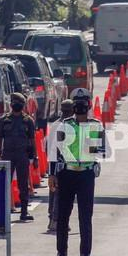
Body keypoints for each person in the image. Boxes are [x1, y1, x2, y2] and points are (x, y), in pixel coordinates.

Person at [50, 88, 105, 256]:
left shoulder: (96, 125)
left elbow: (103, 151)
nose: (81, 107)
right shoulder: (65, 125)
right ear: (73, 106)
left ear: (88, 105)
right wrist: (52, 174)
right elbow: (55, 151)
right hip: (66, 174)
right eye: (77, 104)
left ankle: (85, 254)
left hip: (86, 175)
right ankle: (61, 253)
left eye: (84, 104)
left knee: (85, 216)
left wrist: (93, 146)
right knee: (63, 215)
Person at [0, 92, 37, 221]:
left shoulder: (28, 120)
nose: (16, 105)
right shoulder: (4, 120)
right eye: (14, 102)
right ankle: (1, 212)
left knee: (23, 183)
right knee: (4, 183)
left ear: (23, 105)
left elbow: (32, 140)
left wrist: (35, 157)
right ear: (12, 104)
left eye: (19, 103)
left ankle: (24, 211)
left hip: (22, 155)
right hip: (7, 155)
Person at [47, 99, 74, 232]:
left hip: (53, 163)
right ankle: (56, 221)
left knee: (53, 193)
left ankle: (52, 219)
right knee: (61, 194)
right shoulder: (68, 126)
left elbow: (48, 147)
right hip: (63, 164)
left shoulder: (54, 125)